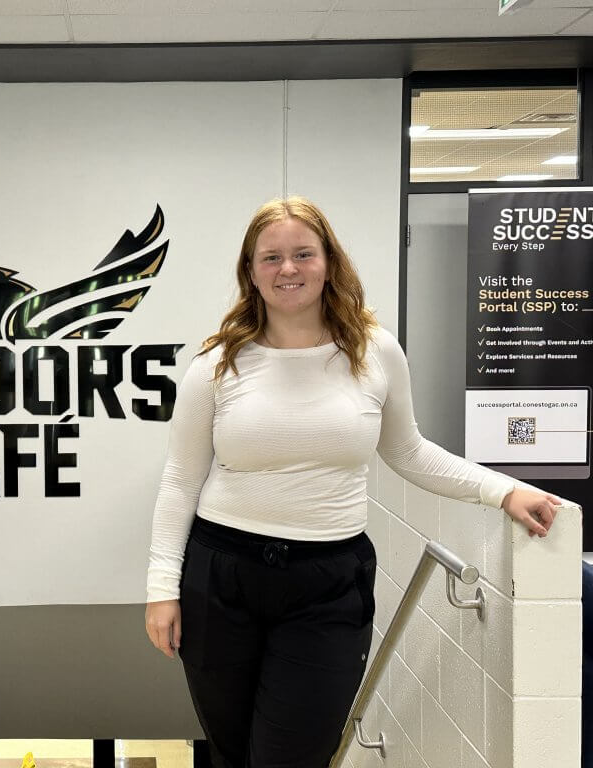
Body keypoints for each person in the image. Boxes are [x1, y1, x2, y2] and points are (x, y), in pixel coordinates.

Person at [144, 197, 560, 768]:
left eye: (302, 254)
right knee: (233, 751)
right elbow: (180, 480)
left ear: (328, 262)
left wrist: (503, 490)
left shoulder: (373, 351)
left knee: (290, 755)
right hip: (222, 578)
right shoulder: (218, 363)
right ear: (250, 271)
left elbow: (409, 453)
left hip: (328, 583)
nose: (287, 269)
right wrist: (162, 588)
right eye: (270, 257)